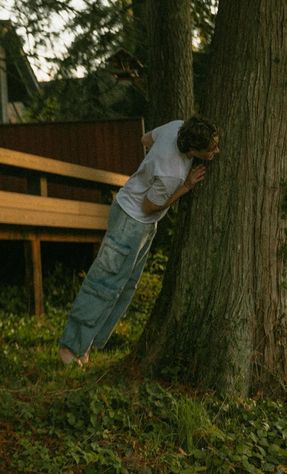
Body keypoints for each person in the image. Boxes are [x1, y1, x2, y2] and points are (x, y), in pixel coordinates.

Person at [59, 115, 220, 366]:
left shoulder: (175, 126)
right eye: (211, 149)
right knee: (104, 283)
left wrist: (149, 168)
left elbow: (145, 139)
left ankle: (86, 344)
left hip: (137, 221)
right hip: (132, 221)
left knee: (125, 287)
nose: (216, 151)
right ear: (192, 150)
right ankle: (70, 347)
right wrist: (186, 186)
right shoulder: (174, 175)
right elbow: (149, 206)